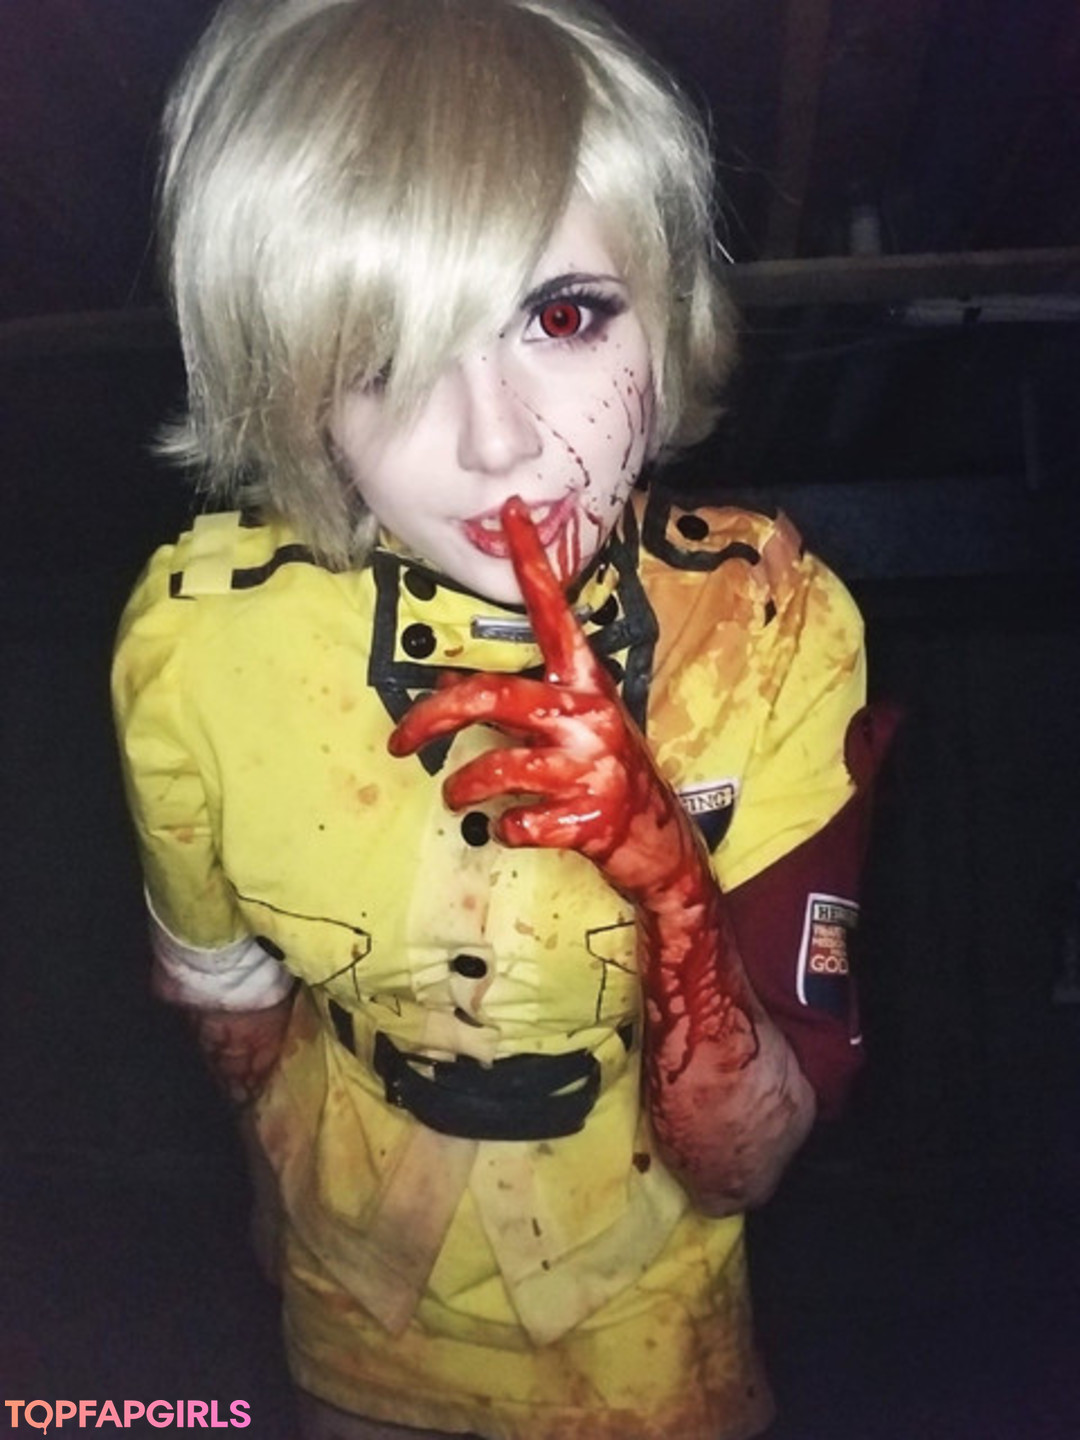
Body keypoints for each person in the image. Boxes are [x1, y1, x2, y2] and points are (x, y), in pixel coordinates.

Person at [111, 1, 895, 1436]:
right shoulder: (194, 649)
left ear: (665, 304)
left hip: (648, 1329)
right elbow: (234, 1015)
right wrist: (283, 1207)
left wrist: (667, 878)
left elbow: (750, 1163)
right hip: (349, 1301)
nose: (494, 442)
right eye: (379, 355)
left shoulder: (768, 631)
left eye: (563, 315)